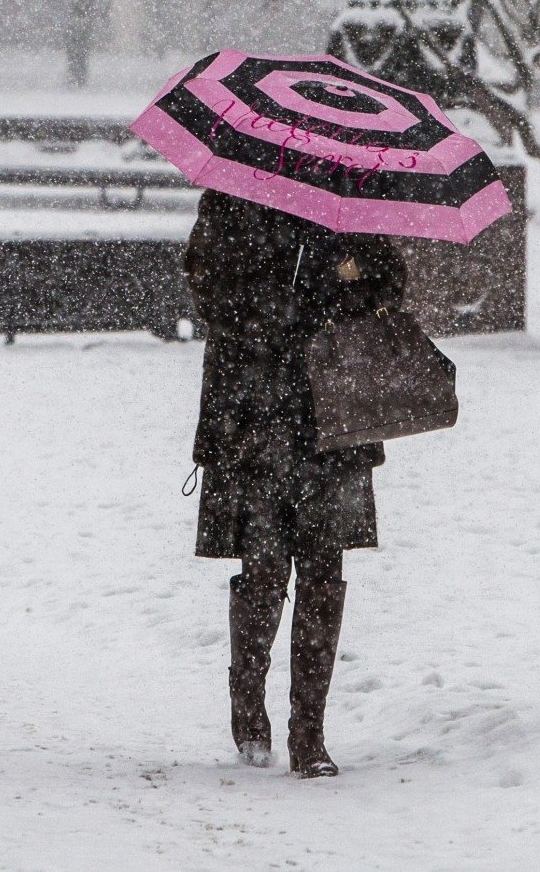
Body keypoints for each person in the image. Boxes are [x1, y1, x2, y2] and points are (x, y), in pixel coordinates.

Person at [184, 188, 407, 778]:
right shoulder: (232, 198)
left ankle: (309, 731)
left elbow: (389, 287)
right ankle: (248, 700)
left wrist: (345, 276)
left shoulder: (350, 202)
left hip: (331, 414)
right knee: (262, 567)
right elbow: (208, 289)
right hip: (253, 414)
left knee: (322, 568)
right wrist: (270, 306)